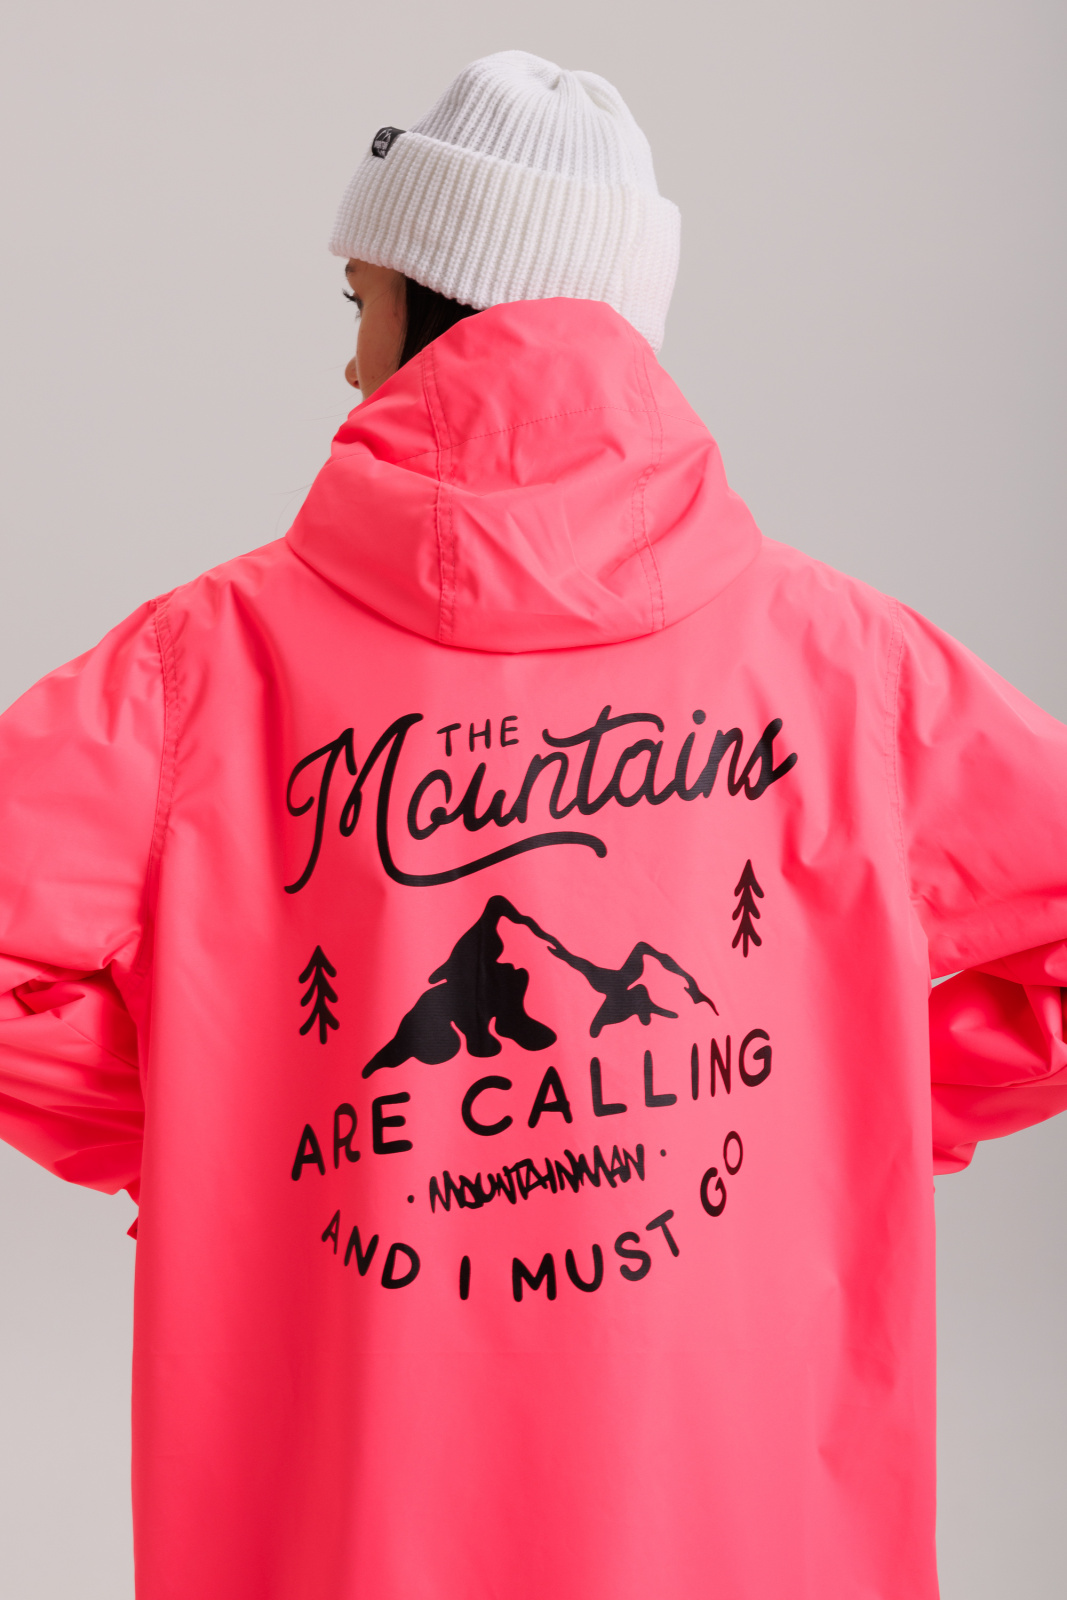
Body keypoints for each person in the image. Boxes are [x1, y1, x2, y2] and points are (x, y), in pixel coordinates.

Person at [0, 46, 1064, 1600]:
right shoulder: (851, 671)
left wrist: (227, 1114)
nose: (350, 368)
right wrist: (847, 1098)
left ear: (434, 307)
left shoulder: (199, 674)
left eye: (360, 306)